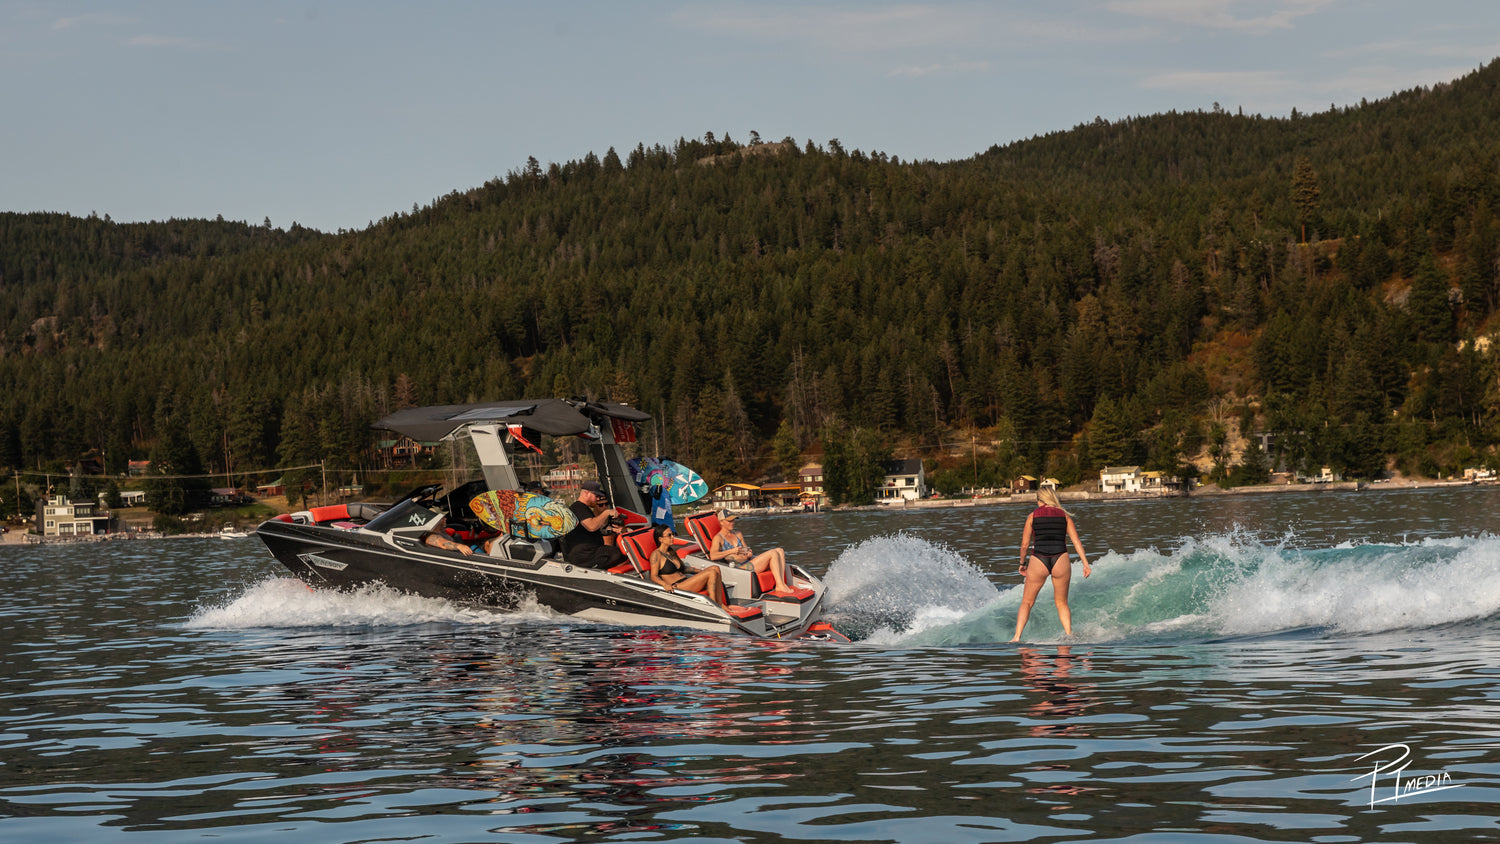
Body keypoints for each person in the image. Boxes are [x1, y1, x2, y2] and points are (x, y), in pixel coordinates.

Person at [1011, 487, 1092, 641]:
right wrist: (1085, 563)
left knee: (1027, 602)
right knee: (1061, 603)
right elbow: (1076, 541)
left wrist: (1022, 563)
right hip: (1060, 559)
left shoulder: (1032, 516)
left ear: (1039, 499)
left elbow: (1024, 544)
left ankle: (1016, 637)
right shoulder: (1065, 516)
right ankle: (1069, 634)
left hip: (1038, 560)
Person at [709, 510, 794, 595]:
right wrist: (731, 551)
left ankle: (782, 583)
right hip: (740, 568)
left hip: (749, 562)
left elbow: (747, 549)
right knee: (773, 553)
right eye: (729, 521)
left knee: (780, 550)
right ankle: (779, 585)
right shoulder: (718, 538)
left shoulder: (738, 534)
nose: (732, 523)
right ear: (721, 522)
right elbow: (713, 556)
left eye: (733, 520)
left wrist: (749, 552)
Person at [648, 524, 728, 607]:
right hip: (677, 587)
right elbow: (654, 576)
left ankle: (720, 604)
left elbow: (683, 569)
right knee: (711, 572)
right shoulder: (656, 555)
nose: (672, 537)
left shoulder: (671, 552)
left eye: (673, 534)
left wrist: (699, 571)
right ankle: (714, 606)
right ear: (660, 539)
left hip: (686, 581)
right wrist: (664, 585)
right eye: (669, 535)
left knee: (715, 568)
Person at [561, 479, 627, 570]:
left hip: (590, 550)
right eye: (596, 495)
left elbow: (596, 527)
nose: (597, 499)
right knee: (616, 554)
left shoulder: (584, 508)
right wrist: (606, 512)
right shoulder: (578, 507)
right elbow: (591, 526)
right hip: (583, 554)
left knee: (621, 555)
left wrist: (614, 529)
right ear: (586, 493)